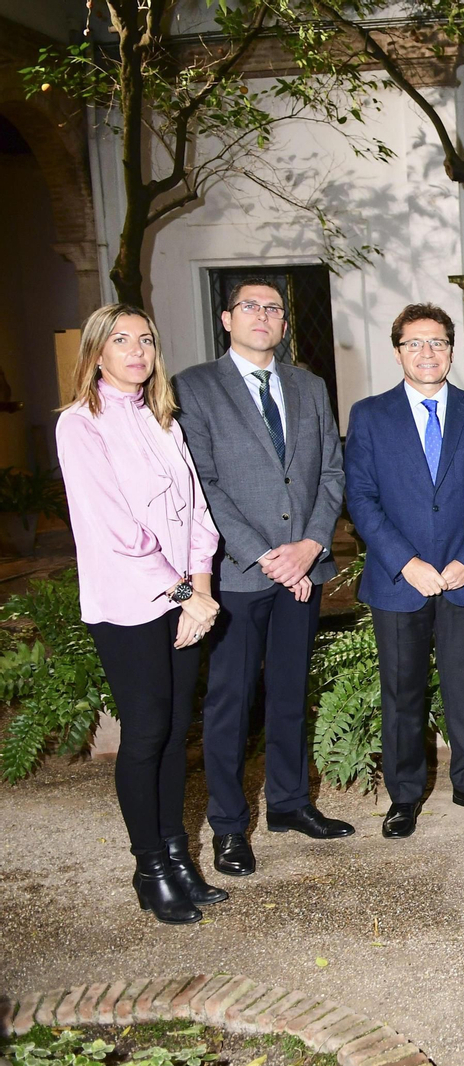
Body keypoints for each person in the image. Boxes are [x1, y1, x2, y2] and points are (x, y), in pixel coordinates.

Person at [56, 305, 228, 924]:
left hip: (186, 598)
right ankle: (150, 866)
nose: (136, 351)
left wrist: (201, 588)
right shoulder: (81, 425)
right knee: (148, 732)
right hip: (129, 604)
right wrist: (185, 594)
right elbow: (117, 530)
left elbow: (197, 515)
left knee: (178, 732)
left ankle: (180, 856)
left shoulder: (163, 419)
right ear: (97, 354)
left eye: (147, 340)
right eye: (121, 341)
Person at [174, 278, 351, 877]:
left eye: (273, 307)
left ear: (283, 322)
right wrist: (266, 554)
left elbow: (331, 469)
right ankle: (228, 828)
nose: (262, 315)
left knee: (289, 693)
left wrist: (308, 546)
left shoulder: (309, 385)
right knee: (231, 701)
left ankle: (291, 804)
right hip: (236, 575)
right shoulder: (194, 387)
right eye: (249, 306)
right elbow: (203, 484)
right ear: (226, 319)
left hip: (303, 570)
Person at [343, 303, 464, 837]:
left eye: (437, 342)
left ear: (452, 350)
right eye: (414, 343)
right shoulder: (369, 415)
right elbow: (362, 499)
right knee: (402, 691)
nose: (427, 352)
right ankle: (405, 795)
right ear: (397, 351)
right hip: (399, 581)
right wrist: (407, 562)